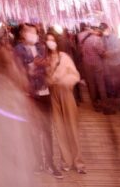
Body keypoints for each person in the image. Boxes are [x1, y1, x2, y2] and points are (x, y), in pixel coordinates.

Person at [13, 24, 62, 178]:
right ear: (23, 34)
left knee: (47, 129)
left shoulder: (41, 47)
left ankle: (50, 163)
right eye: (30, 32)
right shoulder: (18, 50)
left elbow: (47, 64)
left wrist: (45, 65)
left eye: (35, 32)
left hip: (44, 91)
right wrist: (30, 67)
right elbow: (17, 70)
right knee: (33, 130)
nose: (33, 35)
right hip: (30, 94)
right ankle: (37, 162)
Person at [45, 33, 86, 174]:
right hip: (53, 93)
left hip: (66, 92)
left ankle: (78, 162)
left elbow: (75, 75)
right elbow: (45, 78)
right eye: (48, 40)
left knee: (72, 127)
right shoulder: (45, 59)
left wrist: (65, 81)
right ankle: (66, 161)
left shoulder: (64, 57)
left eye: (52, 40)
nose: (50, 42)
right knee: (59, 129)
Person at [80, 26, 107, 111]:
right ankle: (104, 104)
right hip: (97, 65)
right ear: (96, 32)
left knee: (91, 85)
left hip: (87, 65)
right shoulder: (97, 40)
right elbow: (101, 52)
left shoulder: (85, 40)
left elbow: (82, 52)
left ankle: (95, 104)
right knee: (100, 84)